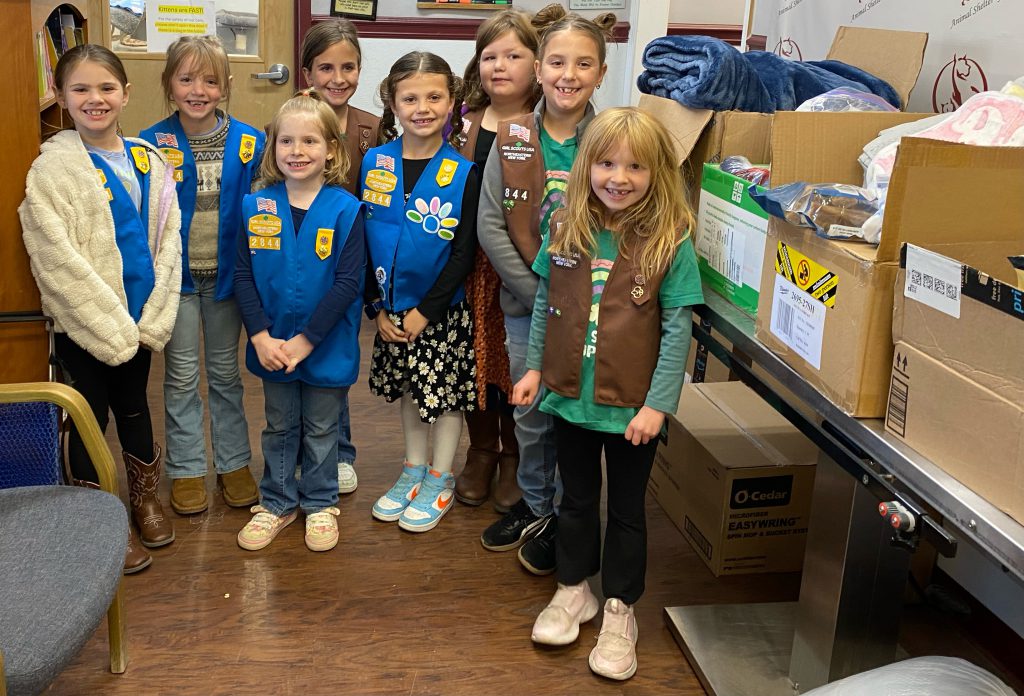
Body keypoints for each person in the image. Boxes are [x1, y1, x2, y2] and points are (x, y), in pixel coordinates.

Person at [511, 106, 703, 680]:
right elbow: (548, 307)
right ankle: (574, 590)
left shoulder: (671, 243)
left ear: (658, 174)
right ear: (587, 166)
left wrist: (657, 406)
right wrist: (534, 372)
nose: (619, 177)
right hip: (570, 398)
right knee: (573, 499)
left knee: (625, 511)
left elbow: (677, 332)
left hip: (631, 412)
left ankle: (619, 608)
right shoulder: (565, 228)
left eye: (636, 167)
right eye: (607, 163)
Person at [19, 44, 182, 573]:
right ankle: (97, 514)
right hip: (86, 323)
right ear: (61, 98)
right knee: (90, 413)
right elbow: (54, 255)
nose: (96, 99)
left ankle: (145, 500)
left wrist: (151, 316)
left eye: (107, 88)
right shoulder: (53, 170)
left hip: (140, 319)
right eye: (81, 89)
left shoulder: (148, 159)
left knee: (135, 407)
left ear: (126, 94)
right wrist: (105, 324)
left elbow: (168, 238)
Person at [477, 5, 615, 576]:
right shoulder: (513, 137)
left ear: (601, 73)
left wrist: (571, 303)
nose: (568, 74)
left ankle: (569, 514)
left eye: (583, 64)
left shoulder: (610, 137)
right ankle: (535, 507)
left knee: (575, 415)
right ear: (540, 70)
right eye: (557, 61)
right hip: (527, 304)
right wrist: (538, 296)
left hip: (593, 311)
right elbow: (490, 223)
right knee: (532, 412)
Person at [233, 91, 364, 553]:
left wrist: (307, 340)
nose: (297, 151)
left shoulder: (347, 210)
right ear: (273, 148)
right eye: (286, 141)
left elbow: (348, 284)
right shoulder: (256, 206)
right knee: (279, 425)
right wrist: (261, 335)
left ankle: (321, 501)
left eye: (310, 141)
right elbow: (243, 275)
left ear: (331, 148)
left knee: (323, 428)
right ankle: (277, 501)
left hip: (325, 344)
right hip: (271, 344)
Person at [140, 36, 265, 516]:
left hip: (229, 280)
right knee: (181, 377)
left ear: (226, 85)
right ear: (170, 84)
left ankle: (233, 464)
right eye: (186, 79)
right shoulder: (150, 143)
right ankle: (187, 469)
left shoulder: (251, 142)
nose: (198, 90)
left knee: (226, 376)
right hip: (177, 283)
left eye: (210, 80)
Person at [363, 52, 479, 533]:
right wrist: (375, 305)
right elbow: (359, 238)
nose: (422, 107)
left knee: (445, 396)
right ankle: (413, 468)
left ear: (452, 101)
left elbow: (464, 253)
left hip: (440, 313)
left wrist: (427, 312)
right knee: (412, 391)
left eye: (435, 96)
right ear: (391, 102)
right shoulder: (374, 162)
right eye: (409, 97)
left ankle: (440, 476)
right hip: (391, 311)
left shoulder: (464, 172)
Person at [454, 8, 542, 512]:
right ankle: (482, 449)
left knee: (514, 360)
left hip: (516, 265)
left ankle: (514, 453)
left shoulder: (544, 122)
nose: (500, 66)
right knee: (474, 358)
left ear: (536, 64)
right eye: (489, 56)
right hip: (467, 265)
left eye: (513, 55)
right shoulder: (461, 121)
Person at [299, 18, 380, 494]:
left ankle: (340, 451)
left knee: (338, 357)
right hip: (301, 267)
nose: (337, 78)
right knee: (303, 353)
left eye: (348, 67)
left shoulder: (371, 127)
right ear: (308, 72)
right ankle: (306, 449)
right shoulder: (288, 123)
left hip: (349, 267)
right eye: (325, 67)